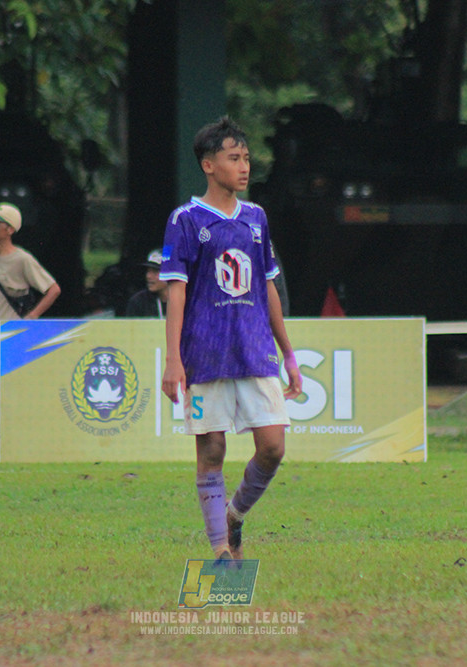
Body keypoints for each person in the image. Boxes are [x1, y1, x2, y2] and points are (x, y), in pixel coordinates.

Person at [160, 117, 303, 561]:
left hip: (255, 351)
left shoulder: (256, 218)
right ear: (208, 165)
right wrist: (173, 360)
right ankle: (220, 547)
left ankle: (235, 515)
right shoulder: (185, 220)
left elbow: (268, 286)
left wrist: (290, 355)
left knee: (274, 447)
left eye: (246, 158)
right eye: (233, 158)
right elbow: (176, 290)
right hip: (205, 355)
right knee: (213, 449)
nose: (244, 167)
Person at [0, 202, 61, 458]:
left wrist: (32, 317)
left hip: (14, 336)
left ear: (10, 229)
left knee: (17, 394)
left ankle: (21, 445)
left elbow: (52, 289)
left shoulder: (22, 259)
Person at [125, 248, 169, 318]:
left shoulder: (188, 301)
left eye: (155, 271)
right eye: (148, 271)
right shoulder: (139, 302)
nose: (148, 276)